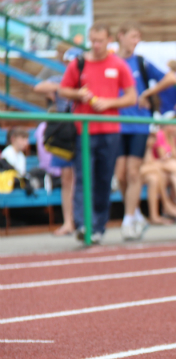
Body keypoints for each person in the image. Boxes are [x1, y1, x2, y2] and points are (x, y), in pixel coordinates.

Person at [58, 23, 136, 244]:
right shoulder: (79, 63)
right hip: (84, 131)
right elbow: (63, 89)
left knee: (103, 179)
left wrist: (110, 102)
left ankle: (99, 226)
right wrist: (78, 94)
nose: (96, 45)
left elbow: (132, 97)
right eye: (93, 41)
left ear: (109, 39)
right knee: (83, 178)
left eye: (100, 40)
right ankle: (83, 225)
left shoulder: (118, 65)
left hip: (110, 131)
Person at [115, 22, 176, 241]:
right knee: (121, 175)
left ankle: (128, 219)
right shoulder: (112, 62)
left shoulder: (141, 62)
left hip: (139, 124)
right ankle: (136, 214)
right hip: (115, 124)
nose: (136, 41)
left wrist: (149, 93)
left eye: (138, 37)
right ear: (121, 36)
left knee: (133, 172)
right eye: (133, 36)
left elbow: (171, 78)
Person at [33, 46, 78, 235]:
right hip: (64, 133)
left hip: (83, 131)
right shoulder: (61, 79)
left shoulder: (86, 78)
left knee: (83, 178)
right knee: (67, 178)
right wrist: (62, 89)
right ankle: (68, 222)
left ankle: (82, 221)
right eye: (68, 62)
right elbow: (38, 86)